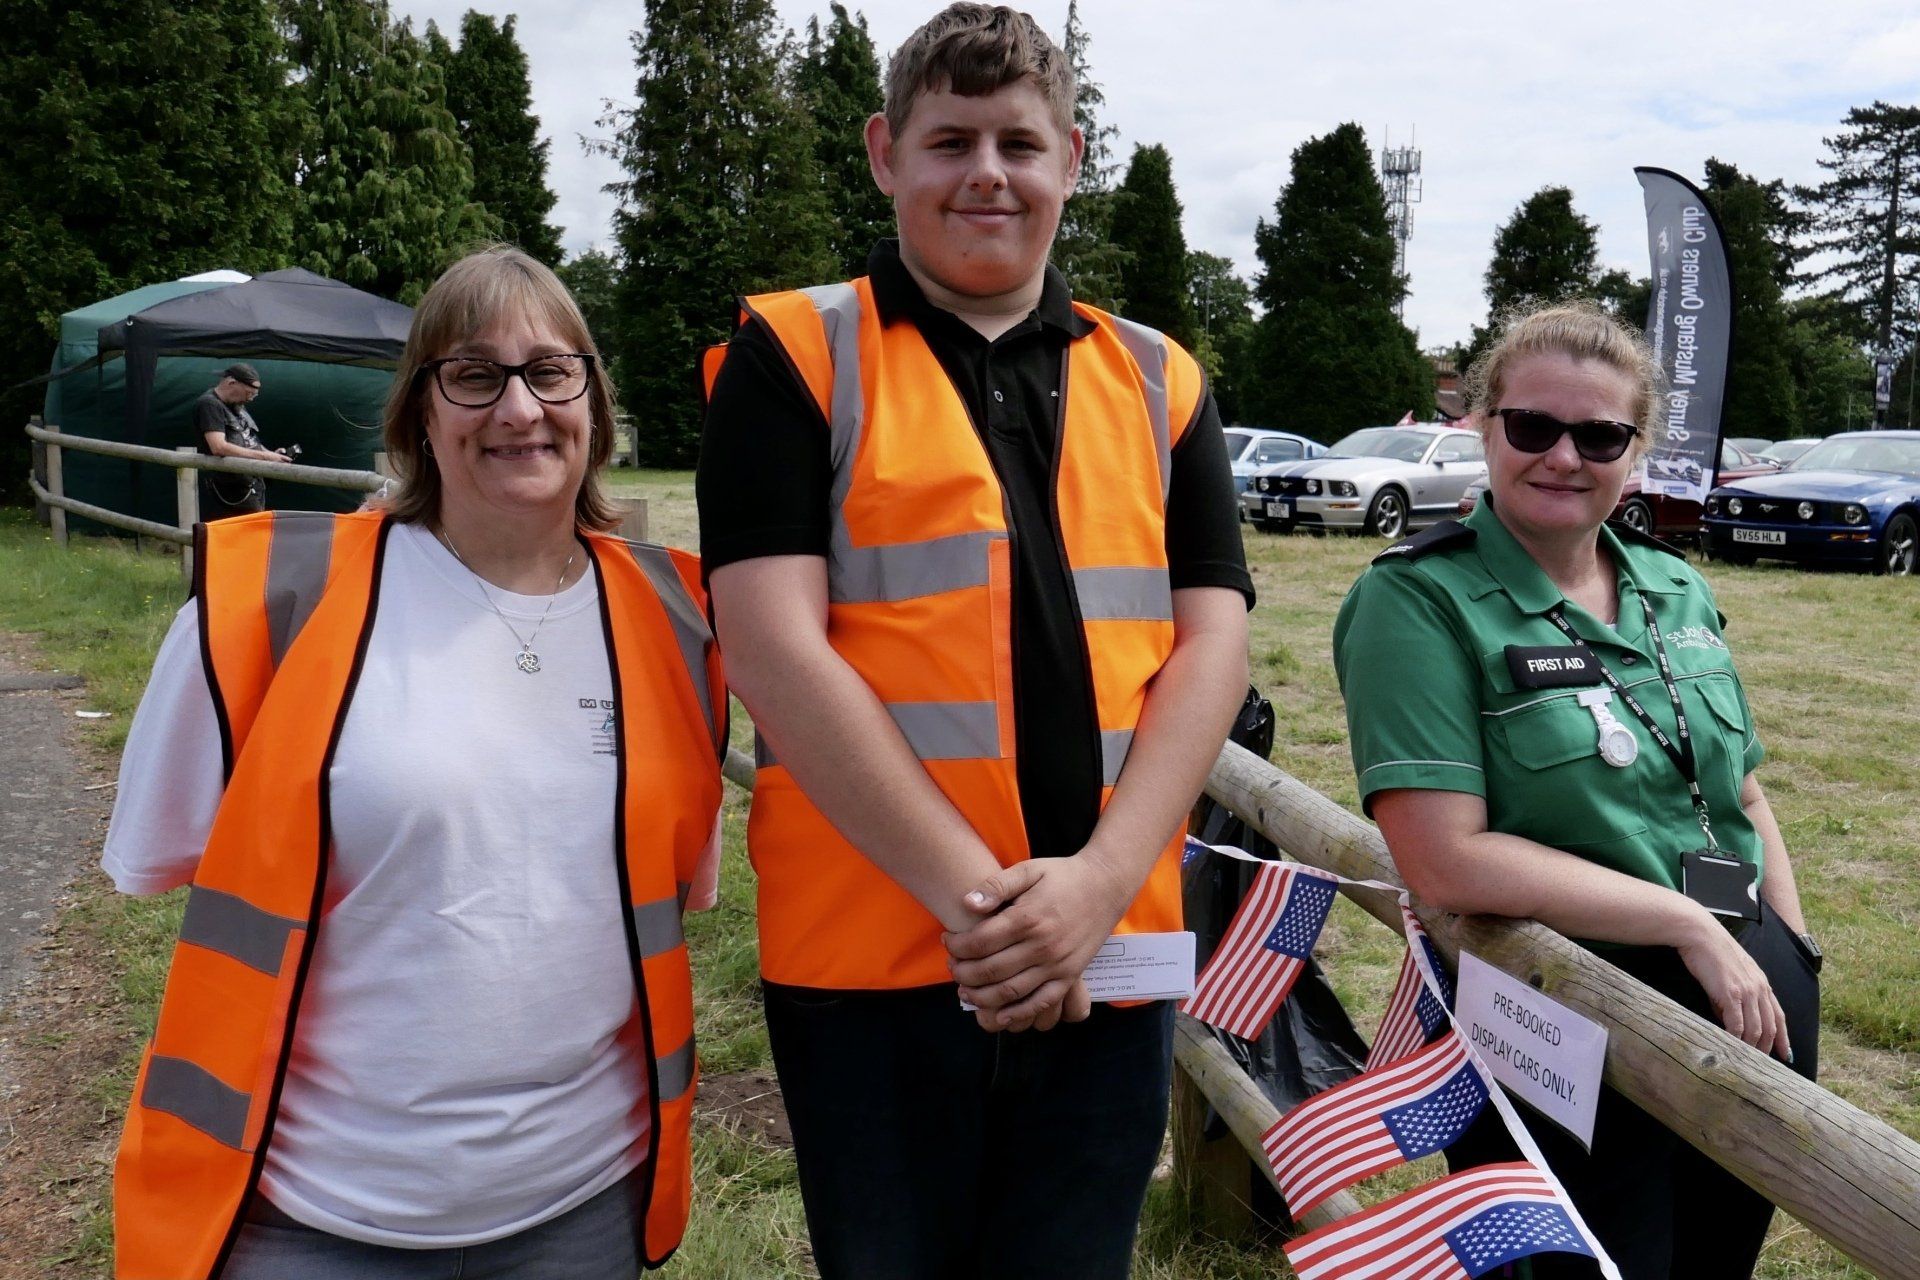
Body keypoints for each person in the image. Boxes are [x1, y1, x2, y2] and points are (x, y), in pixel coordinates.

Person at [697, 5, 1252, 1276]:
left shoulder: (1161, 378)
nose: (987, 173)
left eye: (1019, 142)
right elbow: (772, 650)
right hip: (875, 961)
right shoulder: (793, 354)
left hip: (1111, 949)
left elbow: (1212, 650)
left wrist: (1096, 887)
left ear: (1072, 159)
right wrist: (992, 914)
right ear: (885, 153)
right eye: (951, 142)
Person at [106, 247, 727, 1279]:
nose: (520, 408)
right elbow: (159, 858)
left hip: (586, 1208)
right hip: (311, 1213)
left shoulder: (682, 618)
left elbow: (663, 889)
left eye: (551, 371)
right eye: (474, 375)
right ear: (420, 415)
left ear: (593, 402)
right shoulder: (271, 599)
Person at [1333, 301, 1821, 1279]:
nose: (1563, 456)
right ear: (1483, 424)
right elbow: (1445, 858)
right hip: (1561, 1004)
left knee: (1717, 1256)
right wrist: (1685, 922)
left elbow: (1743, 794)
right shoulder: (1417, 599)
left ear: (1634, 454)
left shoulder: (1673, 585)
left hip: (1747, 985)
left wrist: (1795, 952)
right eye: (1533, 426)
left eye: (1599, 435)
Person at [195, 363, 290, 518]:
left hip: (250, 482)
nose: (250, 399)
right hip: (230, 488)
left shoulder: (236, 404)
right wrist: (265, 456)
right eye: (248, 393)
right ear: (231, 382)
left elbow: (249, 438)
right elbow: (218, 446)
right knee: (248, 529)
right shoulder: (209, 404)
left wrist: (272, 455)